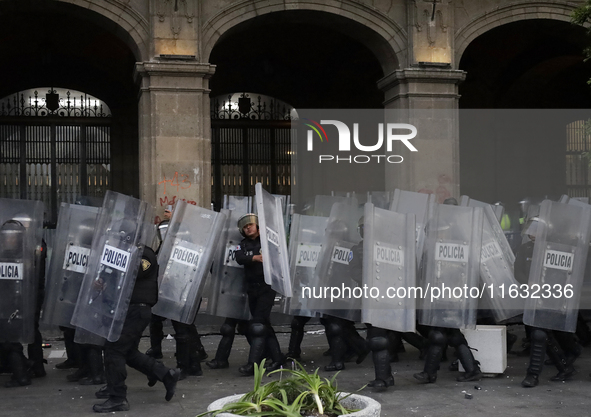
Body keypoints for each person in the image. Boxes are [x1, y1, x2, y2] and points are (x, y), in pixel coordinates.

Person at [92, 245, 180, 413]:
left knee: (114, 350)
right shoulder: (126, 252)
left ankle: (118, 398)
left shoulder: (144, 253)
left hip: (136, 309)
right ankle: (165, 374)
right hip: (125, 309)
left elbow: (135, 272)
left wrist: (114, 265)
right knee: (128, 352)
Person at [234, 213, 285, 376]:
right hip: (252, 288)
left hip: (266, 287)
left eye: (251, 225)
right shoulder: (241, 244)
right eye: (245, 226)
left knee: (258, 325)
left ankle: (253, 364)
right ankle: (277, 359)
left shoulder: (268, 242)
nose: (248, 228)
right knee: (264, 325)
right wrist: (255, 257)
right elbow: (239, 257)